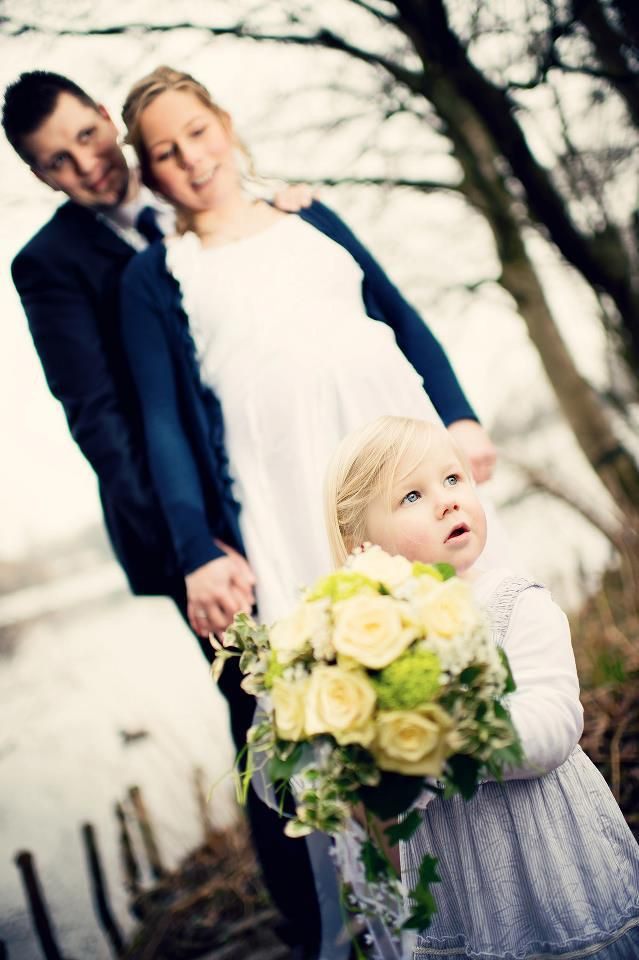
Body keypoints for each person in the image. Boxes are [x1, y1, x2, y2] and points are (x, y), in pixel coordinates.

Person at [2, 70, 322, 959]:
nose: (87, 167)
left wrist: (287, 205)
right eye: (57, 163)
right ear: (42, 178)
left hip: (283, 485)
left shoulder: (193, 185)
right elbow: (102, 422)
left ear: (109, 121)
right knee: (262, 722)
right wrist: (193, 541)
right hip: (195, 537)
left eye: (89, 139)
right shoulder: (49, 268)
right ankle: (313, 924)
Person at [118, 65, 497, 639]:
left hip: (402, 436)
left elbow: (400, 316)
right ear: (149, 173)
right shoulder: (157, 275)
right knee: (356, 640)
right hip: (292, 479)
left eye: (198, 132)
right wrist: (195, 544)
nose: (193, 157)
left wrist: (460, 416)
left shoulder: (308, 215)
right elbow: (162, 420)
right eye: (168, 152)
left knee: (469, 610)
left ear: (225, 125)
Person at [325, 414, 639, 960]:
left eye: (453, 480)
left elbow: (554, 724)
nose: (448, 501)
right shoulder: (375, 641)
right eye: (413, 495)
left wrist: (446, 740)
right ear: (359, 543)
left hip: (552, 860)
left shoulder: (516, 602)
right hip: (460, 881)